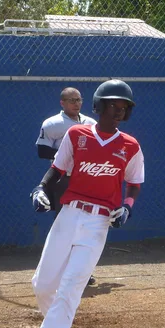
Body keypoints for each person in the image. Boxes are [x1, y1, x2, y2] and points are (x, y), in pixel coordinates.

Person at [25, 79, 145, 328]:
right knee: (43, 285)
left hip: (97, 223)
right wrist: (40, 188)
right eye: (113, 105)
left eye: (123, 107)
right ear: (99, 105)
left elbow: (135, 183)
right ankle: (56, 321)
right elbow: (58, 168)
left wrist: (127, 206)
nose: (118, 111)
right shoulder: (76, 135)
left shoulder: (130, 145)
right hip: (68, 215)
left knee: (71, 287)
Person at [36, 88, 99, 285]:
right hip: (63, 179)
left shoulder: (91, 123)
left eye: (79, 99)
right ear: (62, 103)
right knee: (65, 225)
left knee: (86, 225)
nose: (76, 103)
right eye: (71, 100)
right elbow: (42, 150)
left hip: (86, 179)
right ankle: (60, 270)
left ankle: (81, 271)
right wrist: (66, 155)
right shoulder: (53, 124)